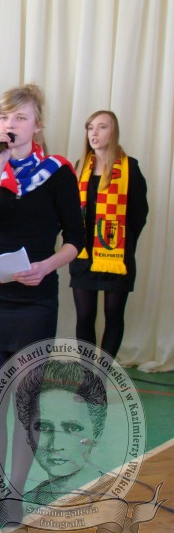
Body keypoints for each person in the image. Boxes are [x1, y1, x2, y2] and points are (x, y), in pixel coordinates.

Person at [0, 84, 86, 513]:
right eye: (5, 117)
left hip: (35, 299)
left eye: (20, 117)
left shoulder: (58, 171)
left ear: (37, 124)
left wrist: (47, 266)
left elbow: (76, 239)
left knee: (26, 401)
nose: (11, 124)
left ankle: (15, 496)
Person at [69, 111, 148, 358]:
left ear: (114, 132)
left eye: (102, 127)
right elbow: (70, 211)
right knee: (85, 316)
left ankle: (101, 374)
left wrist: (122, 244)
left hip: (116, 255)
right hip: (83, 255)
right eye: (90, 127)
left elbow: (139, 213)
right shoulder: (80, 167)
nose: (94, 133)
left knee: (113, 315)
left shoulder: (129, 168)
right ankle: (86, 373)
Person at [16, 359, 109, 506]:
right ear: (28, 433)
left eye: (72, 429)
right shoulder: (28, 503)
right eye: (43, 427)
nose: (56, 445)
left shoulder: (116, 497)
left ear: (97, 433)